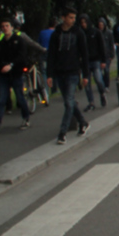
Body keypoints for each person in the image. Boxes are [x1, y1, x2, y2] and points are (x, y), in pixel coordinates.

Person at [46, 7, 90, 144]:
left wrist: (86, 75)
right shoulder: (56, 34)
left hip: (73, 72)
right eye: (70, 17)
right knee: (69, 102)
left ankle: (62, 132)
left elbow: (84, 54)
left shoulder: (78, 33)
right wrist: (50, 75)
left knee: (68, 102)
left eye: (74, 18)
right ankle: (83, 122)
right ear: (63, 18)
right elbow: (51, 55)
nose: (73, 20)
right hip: (60, 72)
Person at [0, 18, 32, 134]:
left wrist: (11, 65)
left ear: (12, 27)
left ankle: (26, 117)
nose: (5, 28)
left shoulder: (19, 40)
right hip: (4, 75)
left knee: (20, 97)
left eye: (7, 26)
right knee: (1, 99)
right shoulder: (1, 43)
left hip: (16, 74)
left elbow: (22, 57)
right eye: (2, 26)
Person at [79, 14, 107, 111]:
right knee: (87, 83)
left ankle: (102, 93)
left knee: (98, 79)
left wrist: (103, 60)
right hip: (85, 61)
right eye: (81, 22)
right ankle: (91, 102)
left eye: (85, 22)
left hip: (95, 60)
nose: (83, 24)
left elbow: (102, 46)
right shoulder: (81, 33)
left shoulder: (96, 32)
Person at [98, 18, 115, 91]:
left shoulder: (109, 33)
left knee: (106, 70)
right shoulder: (97, 32)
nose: (101, 26)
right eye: (99, 25)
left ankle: (106, 85)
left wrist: (112, 55)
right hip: (99, 55)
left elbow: (111, 44)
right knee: (100, 71)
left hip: (107, 55)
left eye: (102, 25)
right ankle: (102, 84)